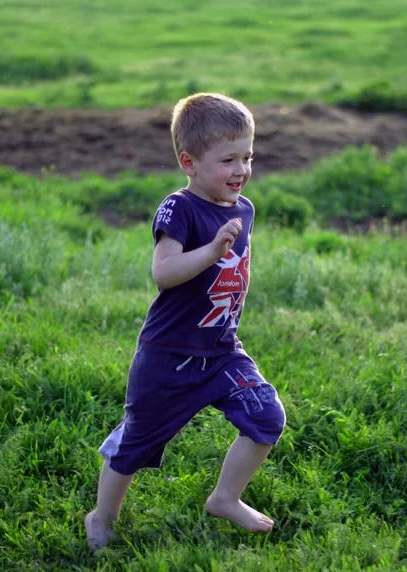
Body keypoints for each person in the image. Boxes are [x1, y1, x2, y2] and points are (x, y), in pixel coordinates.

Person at [85, 93, 286, 550]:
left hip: (221, 351)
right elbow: (164, 273)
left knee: (267, 416)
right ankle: (101, 518)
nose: (242, 170)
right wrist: (212, 250)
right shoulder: (178, 209)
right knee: (136, 443)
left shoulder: (243, 208)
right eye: (229, 159)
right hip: (169, 355)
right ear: (188, 162)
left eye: (248, 157)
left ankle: (225, 498)